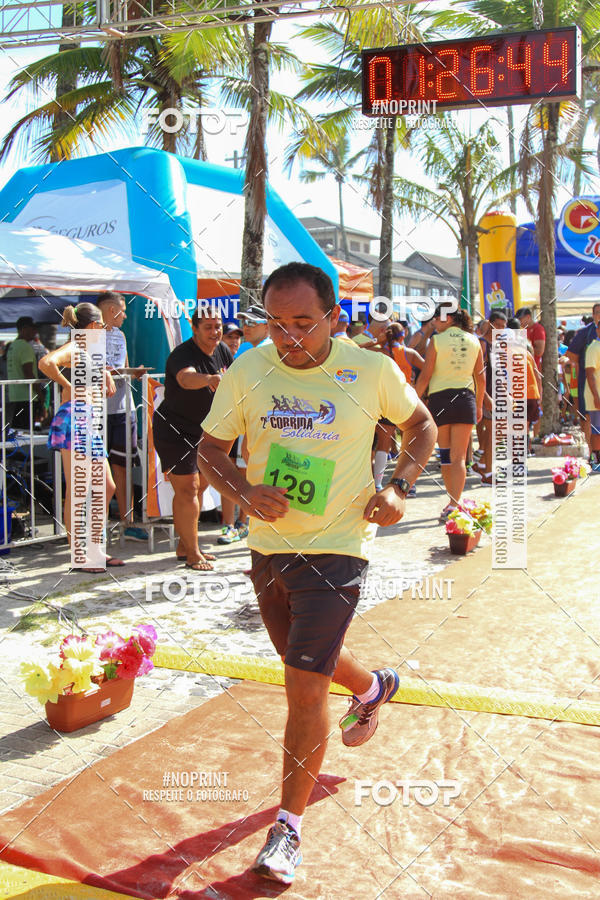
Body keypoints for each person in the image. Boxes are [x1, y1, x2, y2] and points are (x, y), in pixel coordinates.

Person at [199, 262, 436, 884]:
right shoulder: (248, 370)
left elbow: (421, 425)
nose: (289, 337)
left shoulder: (371, 370)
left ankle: (287, 831)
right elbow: (210, 450)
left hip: (339, 547)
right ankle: (373, 687)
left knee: (303, 688)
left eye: (303, 322)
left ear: (333, 317)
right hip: (269, 547)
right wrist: (243, 491)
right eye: (277, 324)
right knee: (306, 662)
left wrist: (400, 487)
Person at [38, 303, 124, 572]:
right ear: (94, 326)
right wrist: (68, 385)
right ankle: (80, 554)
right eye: (103, 326)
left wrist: (106, 373)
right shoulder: (75, 347)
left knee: (106, 486)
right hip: (75, 419)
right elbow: (46, 362)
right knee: (79, 490)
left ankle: (95, 549)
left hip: (88, 421)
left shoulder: (87, 351)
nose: (105, 330)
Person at [152, 306, 232, 569]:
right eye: (208, 327)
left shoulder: (223, 351)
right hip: (174, 430)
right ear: (195, 328)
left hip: (206, 431)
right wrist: (210, 379)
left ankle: (185, 545)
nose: (215, 331)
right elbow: (185, 379)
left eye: (218, 326)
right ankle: (193, 553)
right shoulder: (182, 353)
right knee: (188, 488)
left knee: (202, 485)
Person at [415, 305, 485, 519]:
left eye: (437, 318)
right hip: (465, 399)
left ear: (448, 319)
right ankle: (454, 502)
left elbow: (425, 376)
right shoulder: (474, 341)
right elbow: (481, 379)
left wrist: (413, 400)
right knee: (459, 457)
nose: (434, 322)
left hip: (440, 400)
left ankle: (452, 502)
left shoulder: (436, 341)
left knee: (445, 455)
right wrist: (479, 405)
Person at [97, 291, 149, 542]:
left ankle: (127, 522)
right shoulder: (86, 335)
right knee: (95, 468)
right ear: (110, 310)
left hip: (123, 409)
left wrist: (133, 372)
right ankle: (97, 526)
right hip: (95, 411)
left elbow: (123, 367)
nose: (125, 316)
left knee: (123, 466)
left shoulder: (120, 335)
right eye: (122, 310)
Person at [566, 303, 600, 451]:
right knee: (589, 419)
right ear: (593, 315)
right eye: (597, 312)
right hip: (588, 384)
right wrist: (582, 367)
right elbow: (570, 355)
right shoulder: (586, 333)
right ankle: (593, 454)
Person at [6, 316, 46, 431]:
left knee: (17, 431)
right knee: (26, 433)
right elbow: (28, 373)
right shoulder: (25, 347)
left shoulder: (12, 346)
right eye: (33, 329)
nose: (35, 332)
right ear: (24, 329)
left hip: (14, 397)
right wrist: (41, 396)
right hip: (27, 397)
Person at [584, 317, 600, 469]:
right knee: (597, 430)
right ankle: (596, 460)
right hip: (596, 395)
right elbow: (590, 373)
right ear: (597, 330)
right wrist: (596, 396)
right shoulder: (594, 348)